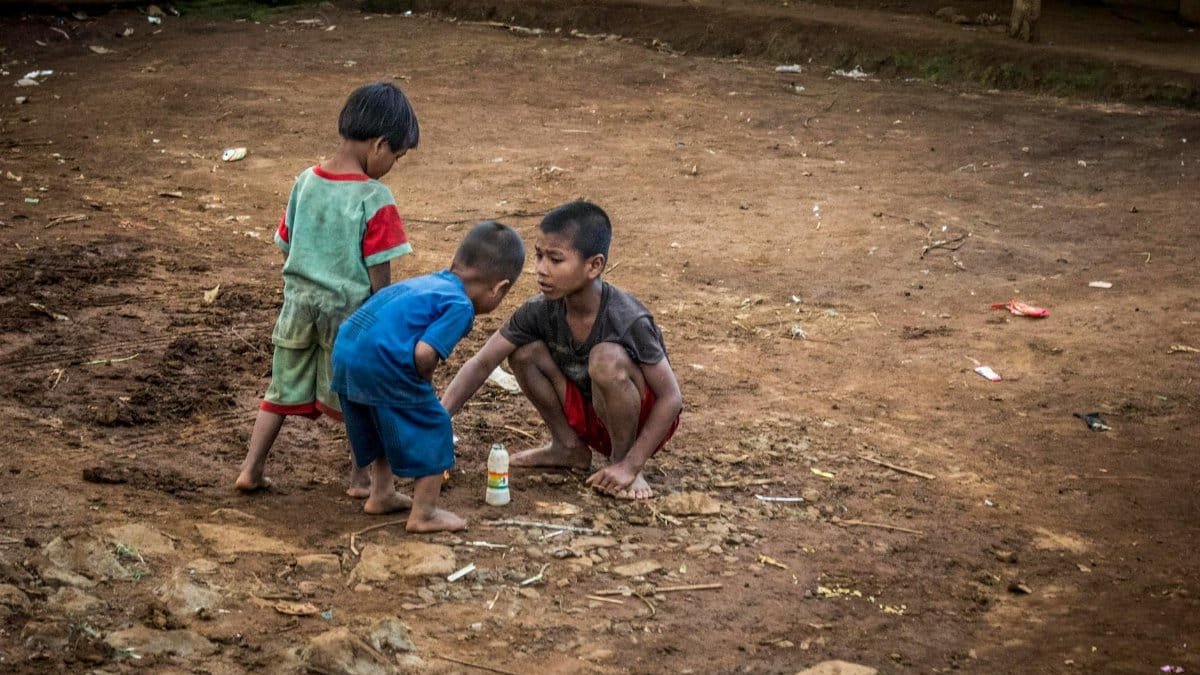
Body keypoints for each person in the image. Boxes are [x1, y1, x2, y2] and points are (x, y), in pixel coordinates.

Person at [235, 82, 419, 496]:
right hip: (350, 314)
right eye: (396, 156)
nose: (392, 164)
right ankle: (359, 478)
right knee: (359, 399)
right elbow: (379, 270)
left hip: (298, 308)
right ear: (380, 145)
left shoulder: (305, 181)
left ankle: (251, 468)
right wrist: (381, 315)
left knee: (279, 392)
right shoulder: (375, 197)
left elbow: (287, 245)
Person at [441, 201, 682, 500]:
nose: (541, 270)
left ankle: (620, 463)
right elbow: (482, 362)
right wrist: (437, 420)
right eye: (539, 256)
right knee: (523, 352)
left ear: (594, 266)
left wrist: (633, 464)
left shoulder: (627, 318)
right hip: (591, 411)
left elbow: (672, 398)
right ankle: (567, 446)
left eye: (555, 260)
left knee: (605, 358)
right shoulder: (540, 310)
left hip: (641, 422)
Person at [331, 221, 525, 532]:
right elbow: (424, 353)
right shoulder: (460, 305)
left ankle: (381, 494)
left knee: (382, 423)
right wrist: (425, 383)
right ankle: (425, 513)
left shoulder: (427, 283)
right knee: (435, 426)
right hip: (383, 362)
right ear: (499, 288)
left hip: (345, 353)